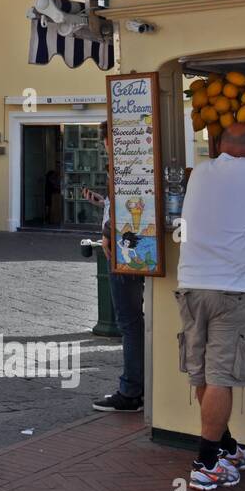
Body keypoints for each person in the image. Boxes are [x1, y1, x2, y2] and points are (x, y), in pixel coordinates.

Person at [175, 122, 245, 491]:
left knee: (205, 376)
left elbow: (219, 215)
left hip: (190, 286)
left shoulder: (199, 173)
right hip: (231, 290)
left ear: (218, 147)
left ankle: (225, 447)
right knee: (221, 377)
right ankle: (206, 464)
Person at [89, 123, 146, 414]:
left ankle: (132, 390)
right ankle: (139, 385)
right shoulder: (138, 161)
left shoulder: (122, 165)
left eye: (106, 141)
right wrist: (104, 204)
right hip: (133, 243)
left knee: (129, 321)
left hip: (122, 249)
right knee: (135, 321)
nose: (106, 146)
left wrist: (109, 233)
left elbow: (125, 206)